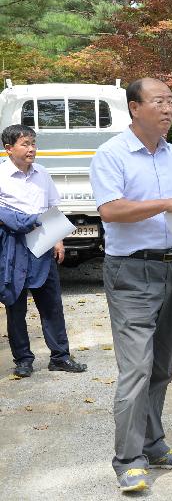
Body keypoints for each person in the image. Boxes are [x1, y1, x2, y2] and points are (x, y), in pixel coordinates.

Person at [90, 78, 172, 493]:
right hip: (131, 271)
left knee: (162, 366)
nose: (169, 108)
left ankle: (153, 443)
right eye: (159, 101)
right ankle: (128, 459)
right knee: (135, 368)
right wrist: (166, 204)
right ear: (135, 108)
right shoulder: (112, 154)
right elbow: (111, 211)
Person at [0, 125, 87, 378]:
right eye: (25, 144)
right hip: (12, 247)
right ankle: (23, 359)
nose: (31, 149)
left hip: (43, 244)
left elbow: (52, 208)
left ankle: (60, 356)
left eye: (33, 143)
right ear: (8, 149)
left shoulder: (42, 173)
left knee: (51, 304)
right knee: (15, 306)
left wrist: (58, 240)